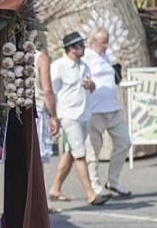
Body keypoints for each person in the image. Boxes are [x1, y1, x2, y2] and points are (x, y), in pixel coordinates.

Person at [48, 32, 110, 206]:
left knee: (71, 153)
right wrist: (53, 115)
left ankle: (55, 188)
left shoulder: (84, 66)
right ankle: (91, 194)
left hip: (83, 115)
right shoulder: (59, 66)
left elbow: (92, 87)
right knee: (80, 155)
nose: (83, 48)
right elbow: (50, 91)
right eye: (79, 45)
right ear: (71, 48)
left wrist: (92, 86)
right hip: (69, 116)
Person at [83, 28, 132, 197]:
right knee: (93, 149)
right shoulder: (86, 56)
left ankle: (113, 181)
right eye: (103, 42)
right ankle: (95, 185)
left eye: (107, 41)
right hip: (95, 110)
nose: (106, 45)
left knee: (124, 142)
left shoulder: (106, 55)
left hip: (113, 108)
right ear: (93, 42)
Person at [34, 36, 61, 213]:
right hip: (38, 111)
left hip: (18, 109)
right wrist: (54, 116)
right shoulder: (41, 58)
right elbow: (48, 90)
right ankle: (39, 203)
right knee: (39, 159)